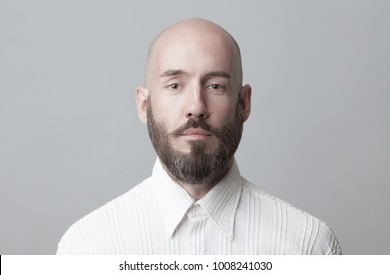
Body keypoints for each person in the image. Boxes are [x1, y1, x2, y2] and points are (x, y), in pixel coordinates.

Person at [57, 18, 341, 255]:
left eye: (215, 86)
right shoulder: (87, 248)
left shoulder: (309, 245)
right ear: (144, 105)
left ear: (243, 104)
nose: (196, 107)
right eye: (174, 85)